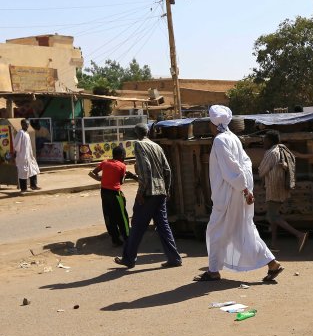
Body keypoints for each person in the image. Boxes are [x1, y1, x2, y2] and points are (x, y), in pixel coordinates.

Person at [194, 105, 284, 282]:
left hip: (229, 195)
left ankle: (213, 271)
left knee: (215, 231)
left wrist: (244, 189)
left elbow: (232, 169)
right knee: (243, 231)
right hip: (238, 192)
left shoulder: (220, 141)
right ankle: (273, 264)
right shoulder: (233, 138)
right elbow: (246, 164)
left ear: (214, 124)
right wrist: (246, 189)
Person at [115, 123, 182, 269]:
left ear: (136, 133)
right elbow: (167, 170)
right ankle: (174, 258)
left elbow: (146, 170)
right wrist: (167, 189)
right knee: (163, 226)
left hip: (149, 193)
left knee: (137, 226)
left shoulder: (139, 145)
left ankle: (129, 258)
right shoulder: (157, 146)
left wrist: (141, 192)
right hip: (161, 192)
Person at [259, 130, 309, 252]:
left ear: (270, 141)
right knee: (273, 216)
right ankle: (274, 244)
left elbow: (261, 170)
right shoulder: (282, 150)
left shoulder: (271, 153)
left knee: (272, 216)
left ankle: (299, 234)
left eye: (265, 140)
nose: (263, 142)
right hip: (282, 188)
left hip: (274, 188)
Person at [89, 146, 136, 247]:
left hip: (104, 192)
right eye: (124, 155)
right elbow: (121, 182)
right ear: (121, 155)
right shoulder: (122, 165)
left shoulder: (105, 162)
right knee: (122, 216)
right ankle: (127, 237)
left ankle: (115, 239)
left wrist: (102, 179)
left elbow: (92, 173)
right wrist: (126, 176)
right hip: (115, 193)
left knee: (109, 216)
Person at [13, 119, 41, 192]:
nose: (27, 125)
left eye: (28, 124)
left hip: (29, 156)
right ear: (22, 124)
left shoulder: (27, 134)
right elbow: (16, 145)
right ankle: (23, 188)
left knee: (33, 169)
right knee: (23, 172)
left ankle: (33, 185)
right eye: (26, 124)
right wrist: (18, 154)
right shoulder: (20, 133)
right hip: (22, 157)